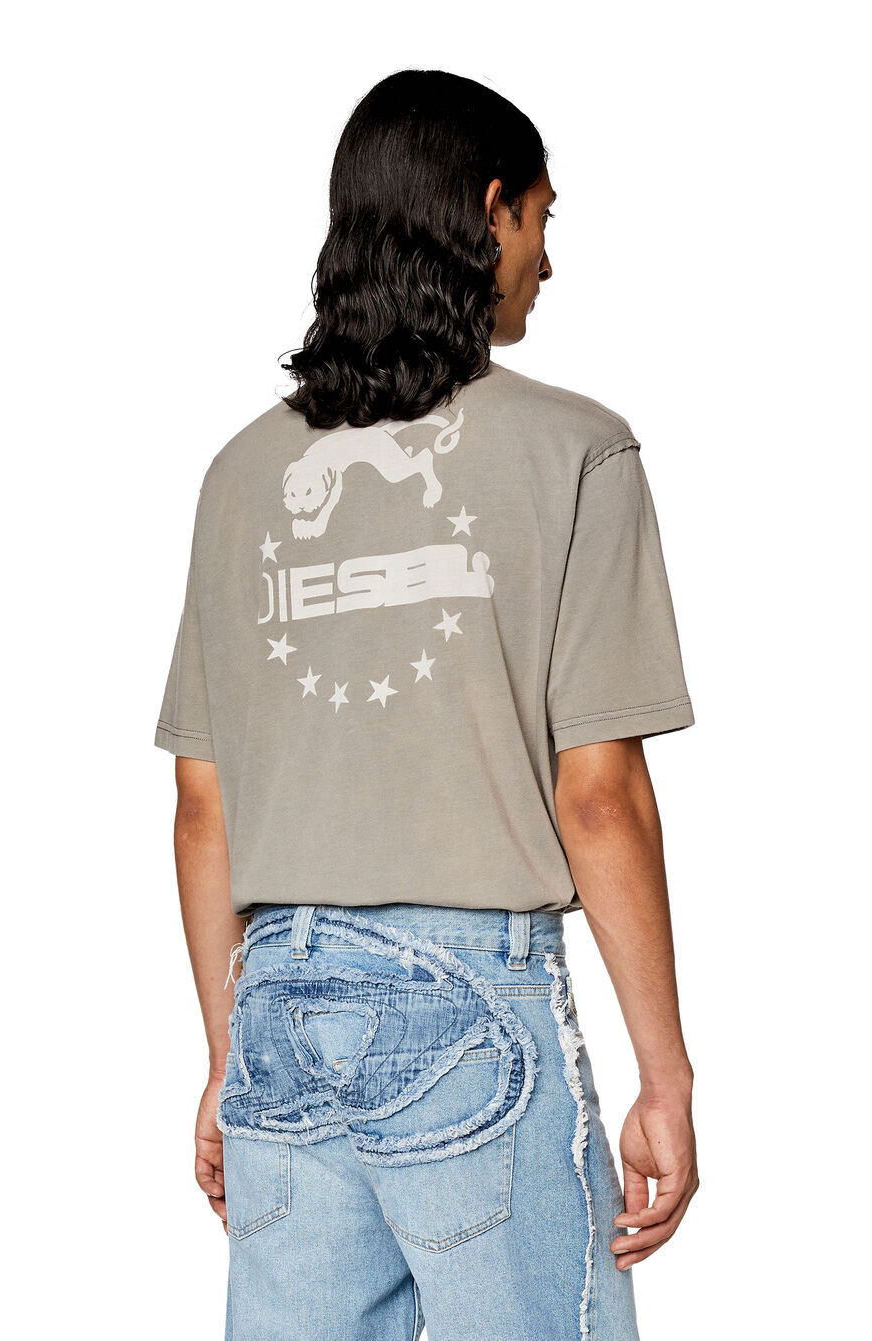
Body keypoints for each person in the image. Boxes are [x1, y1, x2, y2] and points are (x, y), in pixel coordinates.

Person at [154, 68, 699, 1341]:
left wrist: (229, 1059)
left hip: (277, 1001)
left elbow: (200, 800)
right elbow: (598, 795)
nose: (548, 260)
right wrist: (665, 1074)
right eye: (544, 220)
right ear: (490, 209)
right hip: (472, 1005)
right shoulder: (577, 450)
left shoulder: (239, 475)